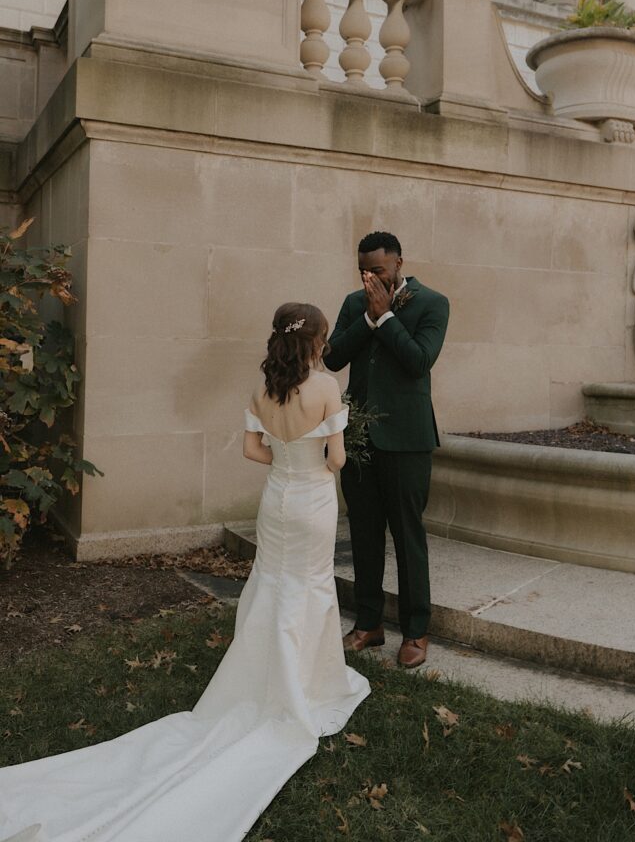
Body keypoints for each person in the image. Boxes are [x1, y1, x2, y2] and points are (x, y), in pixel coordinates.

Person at [0, 302, 369, 842]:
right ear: (318, 339)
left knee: (271, 583)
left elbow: (251, 450)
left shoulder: (264, 388)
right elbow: (336, 460)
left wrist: (287, 456)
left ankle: (265, 680)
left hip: (276, 500)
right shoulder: (328, 387)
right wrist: (316, 458)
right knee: (308, 587)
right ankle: (304, 687)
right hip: (312, 502)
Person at [325, 231, 450, 670]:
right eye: (363, 269)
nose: (369, 277)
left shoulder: (432, 303)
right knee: (362, 533)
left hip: (408, 440)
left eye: (377, 269)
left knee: (407, 536)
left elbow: (419, 361)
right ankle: (368, 624)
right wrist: (368, 317)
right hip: (359, 440)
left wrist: (387, 319)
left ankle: (416, 631)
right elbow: (332, 357)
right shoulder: (352, 302)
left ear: (399, 263)